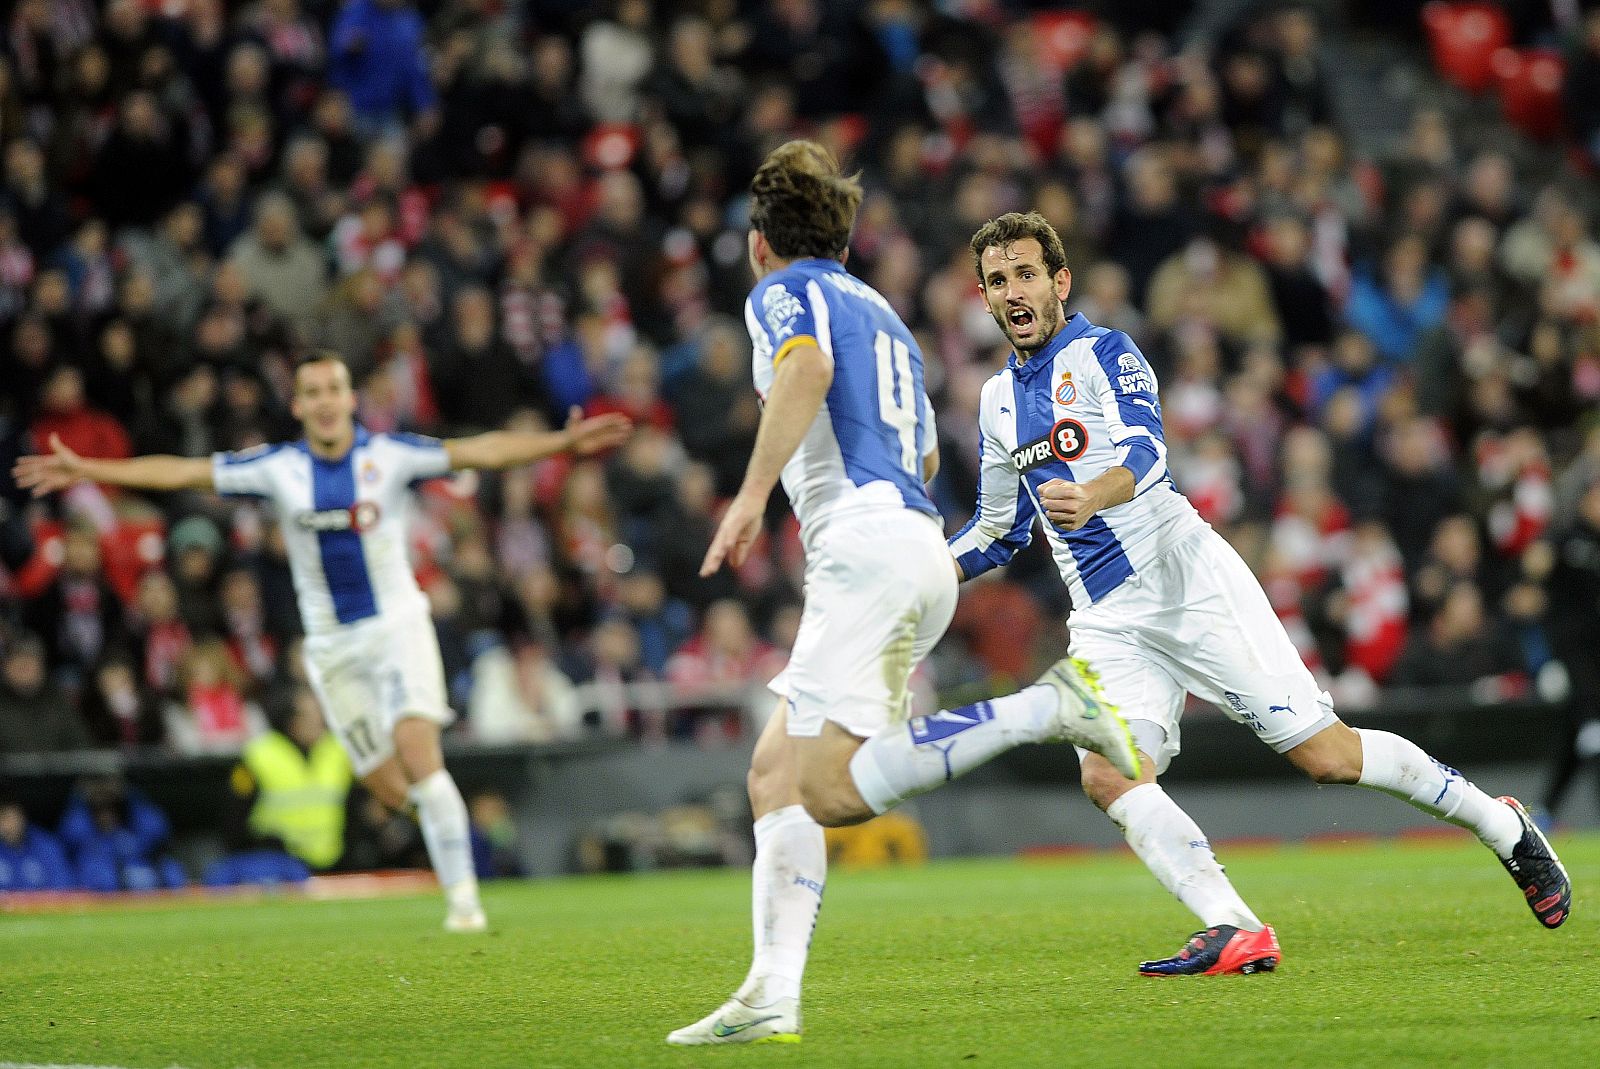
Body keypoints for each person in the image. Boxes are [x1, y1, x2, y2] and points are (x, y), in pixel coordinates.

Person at [953, 211, 1571, 977]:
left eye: (1025, 273)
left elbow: (1148, 453)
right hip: (1109, 618)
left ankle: (1500, 823)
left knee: (1328, 755)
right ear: (983, 297)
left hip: (1186, 579)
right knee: (1107, 771)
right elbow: (997, 529)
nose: (1013, 291)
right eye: (997, 280)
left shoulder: (1105, 353)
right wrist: (928, 573)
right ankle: (1234, 925)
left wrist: (1095, 492)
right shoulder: (995, 402)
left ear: (1059, 281)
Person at [666, 142, 1137, 1047]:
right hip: (916, 540)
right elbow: (922, 450)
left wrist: (754, 494)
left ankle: (1045, 707)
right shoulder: (881, 311)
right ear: (844, 239)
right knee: (775, 777)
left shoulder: (782, 292)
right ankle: (772, 989)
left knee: (829, 790)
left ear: (761, 241)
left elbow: (802, 372)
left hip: (866, 551)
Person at [15, 350, 630, 931]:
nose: (326, 400)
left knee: (419, 750)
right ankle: (447, 820)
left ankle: (464, 904)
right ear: (298, 406)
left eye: (334, 388)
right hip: (334, 650)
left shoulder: (389, 457)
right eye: (313, 392)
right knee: (389, 786)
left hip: (396, 628)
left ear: (351, 397)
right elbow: (184, 472)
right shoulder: (279, 469)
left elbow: (482, 452)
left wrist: (561, 442)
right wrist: (90, 469)